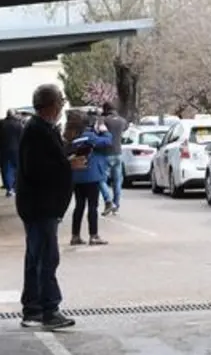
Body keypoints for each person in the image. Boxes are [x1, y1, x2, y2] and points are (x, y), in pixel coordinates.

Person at [16, 85, 78, 330]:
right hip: (40, 206)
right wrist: (68, 166)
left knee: (36, 258)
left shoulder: (42, 129)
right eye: (60, 102)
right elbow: (37, 170)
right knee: (46, 258)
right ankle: (49, 310)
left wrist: (66, 160)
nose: (62, 106)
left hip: (40, 205)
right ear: (51, 105)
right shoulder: (37, 131)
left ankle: (33, 309)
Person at [66, 112, 113, 246]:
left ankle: (75, 235)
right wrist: (104, 131)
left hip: (77, 176)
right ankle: (93, 235)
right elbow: (107, 141)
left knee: (79, 206)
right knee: (92, 206)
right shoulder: (90, 136)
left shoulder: (73, 137)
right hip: (91, 176)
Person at [98, 101, 128, 215]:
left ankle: (108, 200)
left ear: (105, 109)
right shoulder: (122, 120)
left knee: (101, 179)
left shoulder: (104, 120)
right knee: (117, 180)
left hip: (106, 153)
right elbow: (125, 128)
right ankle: (116, 204)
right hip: (118, 153)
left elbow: (99, 131)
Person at [0, 110, 23, 197]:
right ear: (13, 115)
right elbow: (22, 137)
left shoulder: (2, 124)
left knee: (7, 169)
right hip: (17, 150)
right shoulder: (18, 124)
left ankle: (9, 188)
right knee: (16, 169)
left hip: (4, 150)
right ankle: (15, 187)